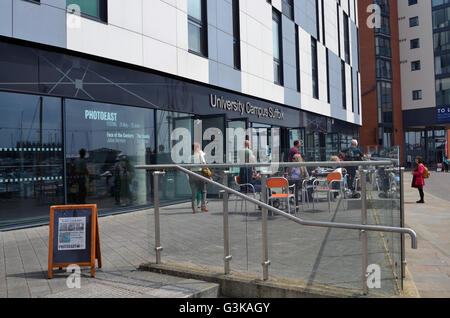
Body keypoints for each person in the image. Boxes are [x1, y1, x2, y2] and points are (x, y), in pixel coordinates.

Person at [189, 143, 208, 213]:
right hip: (200, 173)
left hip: (192, 174)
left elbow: (188, 168)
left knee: (194, 193)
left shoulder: (190, 157)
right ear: (197, 148)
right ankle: (203, 207)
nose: (200, 149)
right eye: (199, 147)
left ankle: (194, 209)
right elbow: (204, 164)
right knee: (203, 191)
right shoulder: (200, 155)